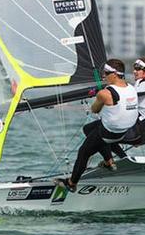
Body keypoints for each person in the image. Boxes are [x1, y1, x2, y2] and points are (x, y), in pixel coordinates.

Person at [57, 59, 138, 191]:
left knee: (84, 152)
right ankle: (109, 161)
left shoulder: (104, 93)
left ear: (115, 74)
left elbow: (94, 110)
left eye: (106, 73)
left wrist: (100, 97)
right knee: (88, 129)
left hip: (109, 133)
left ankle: (72, 183)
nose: (103, 76)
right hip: (124, 130)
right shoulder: (131, 88)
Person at [110, 56, 145, 158]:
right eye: (134, 69)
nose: (134, 71)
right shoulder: (144, 82)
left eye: (138, 69)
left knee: (100, 135)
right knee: (97, 132)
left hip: (142, 129)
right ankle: (120, 160)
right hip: (143, 128)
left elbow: (128, 96)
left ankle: (113, 161)